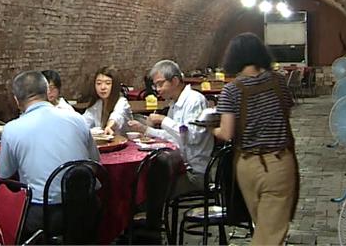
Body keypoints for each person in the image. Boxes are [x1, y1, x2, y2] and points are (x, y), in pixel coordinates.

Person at [213, 33, 297, 245]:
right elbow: (286, 112)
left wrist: (211, 130)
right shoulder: (278, 82)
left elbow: (226, 133)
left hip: (247, 165)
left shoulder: (231, 90)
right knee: (270, 233)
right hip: (279, 162)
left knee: (264, 228)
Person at [0, 71, 100, 241]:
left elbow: (5, 175)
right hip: (85, 207)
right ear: (47, 92)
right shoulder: (77, 119)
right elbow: (94, 163)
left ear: (16, 100)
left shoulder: (11, 129)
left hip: (42, 213)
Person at [127, 59, 212, 193]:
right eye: (155, 85)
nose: (158, 90)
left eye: (160, 84)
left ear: (175, 81)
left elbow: (192, 137)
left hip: (195, 173)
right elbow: (171, 136)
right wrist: (145, 129)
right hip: (179, 166)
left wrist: (163, 120)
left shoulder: (195, 100)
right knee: (141, 179)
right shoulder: (174, 103)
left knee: (150, 187)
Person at [81, 66, 132, 135]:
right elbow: (84, 121)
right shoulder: (97, 104)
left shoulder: (122, 102)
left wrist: (109, 126)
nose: (102, 87)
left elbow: (116, 116)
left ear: (115, 85)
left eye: (107, 83)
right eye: (99, 83)